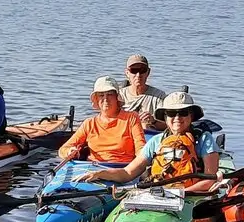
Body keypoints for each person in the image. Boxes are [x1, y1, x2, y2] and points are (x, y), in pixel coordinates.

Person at [74, 88, 220, 192]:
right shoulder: (157, 141)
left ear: (191, 116)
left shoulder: (203, 140)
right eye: (171, 113)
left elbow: (210, 179)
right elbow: (127, 173)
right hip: (162, 194)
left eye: (183, 113)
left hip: (191, 196)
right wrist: (100, 174)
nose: (177, 118)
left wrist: (183, 193)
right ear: (165, 117)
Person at [58, 76, 146, 163]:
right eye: (101, 95)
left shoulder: (131, 118)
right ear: (96, 99)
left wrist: (142, 162)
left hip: (122, 171)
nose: (105, 99)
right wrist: (69, 151)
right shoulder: (89, 123)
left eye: (110, 94)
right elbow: (63, 149)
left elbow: (140, 148)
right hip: (92, 169)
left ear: (117, 97)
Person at [119, 54, 167, 131]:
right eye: (134, 71)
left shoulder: (159, 96)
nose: (138, 75)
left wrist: (153, 121)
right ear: (127, 73)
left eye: (142, 71)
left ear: (148, 72)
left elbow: (169, 125)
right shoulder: (119, 95)